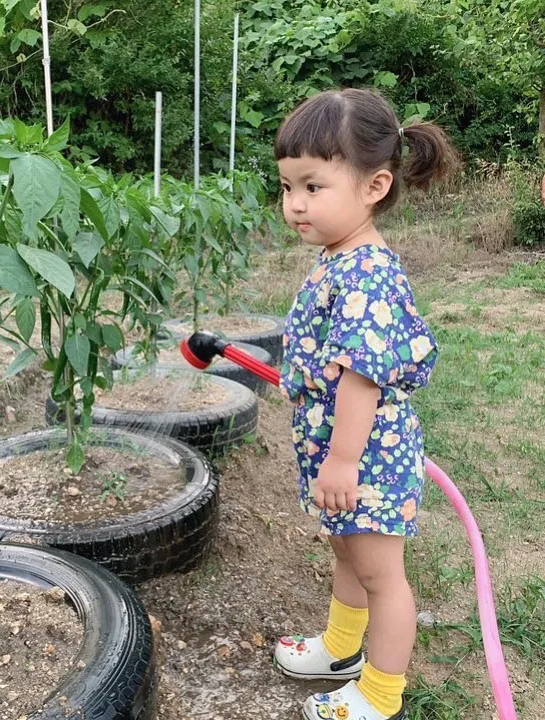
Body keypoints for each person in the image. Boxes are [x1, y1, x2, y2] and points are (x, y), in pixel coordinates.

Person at [272, 88, 457, 720]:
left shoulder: (367, 273)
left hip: (365, 458)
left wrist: (343, 461)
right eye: (287, 186)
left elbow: (362, 377)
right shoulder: (337, 258)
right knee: (346, 552)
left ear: (374, 186)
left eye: (313, 187)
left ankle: (379, 694)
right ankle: (341, 647)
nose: (294, 204)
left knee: (381, 575)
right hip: (340, 453)